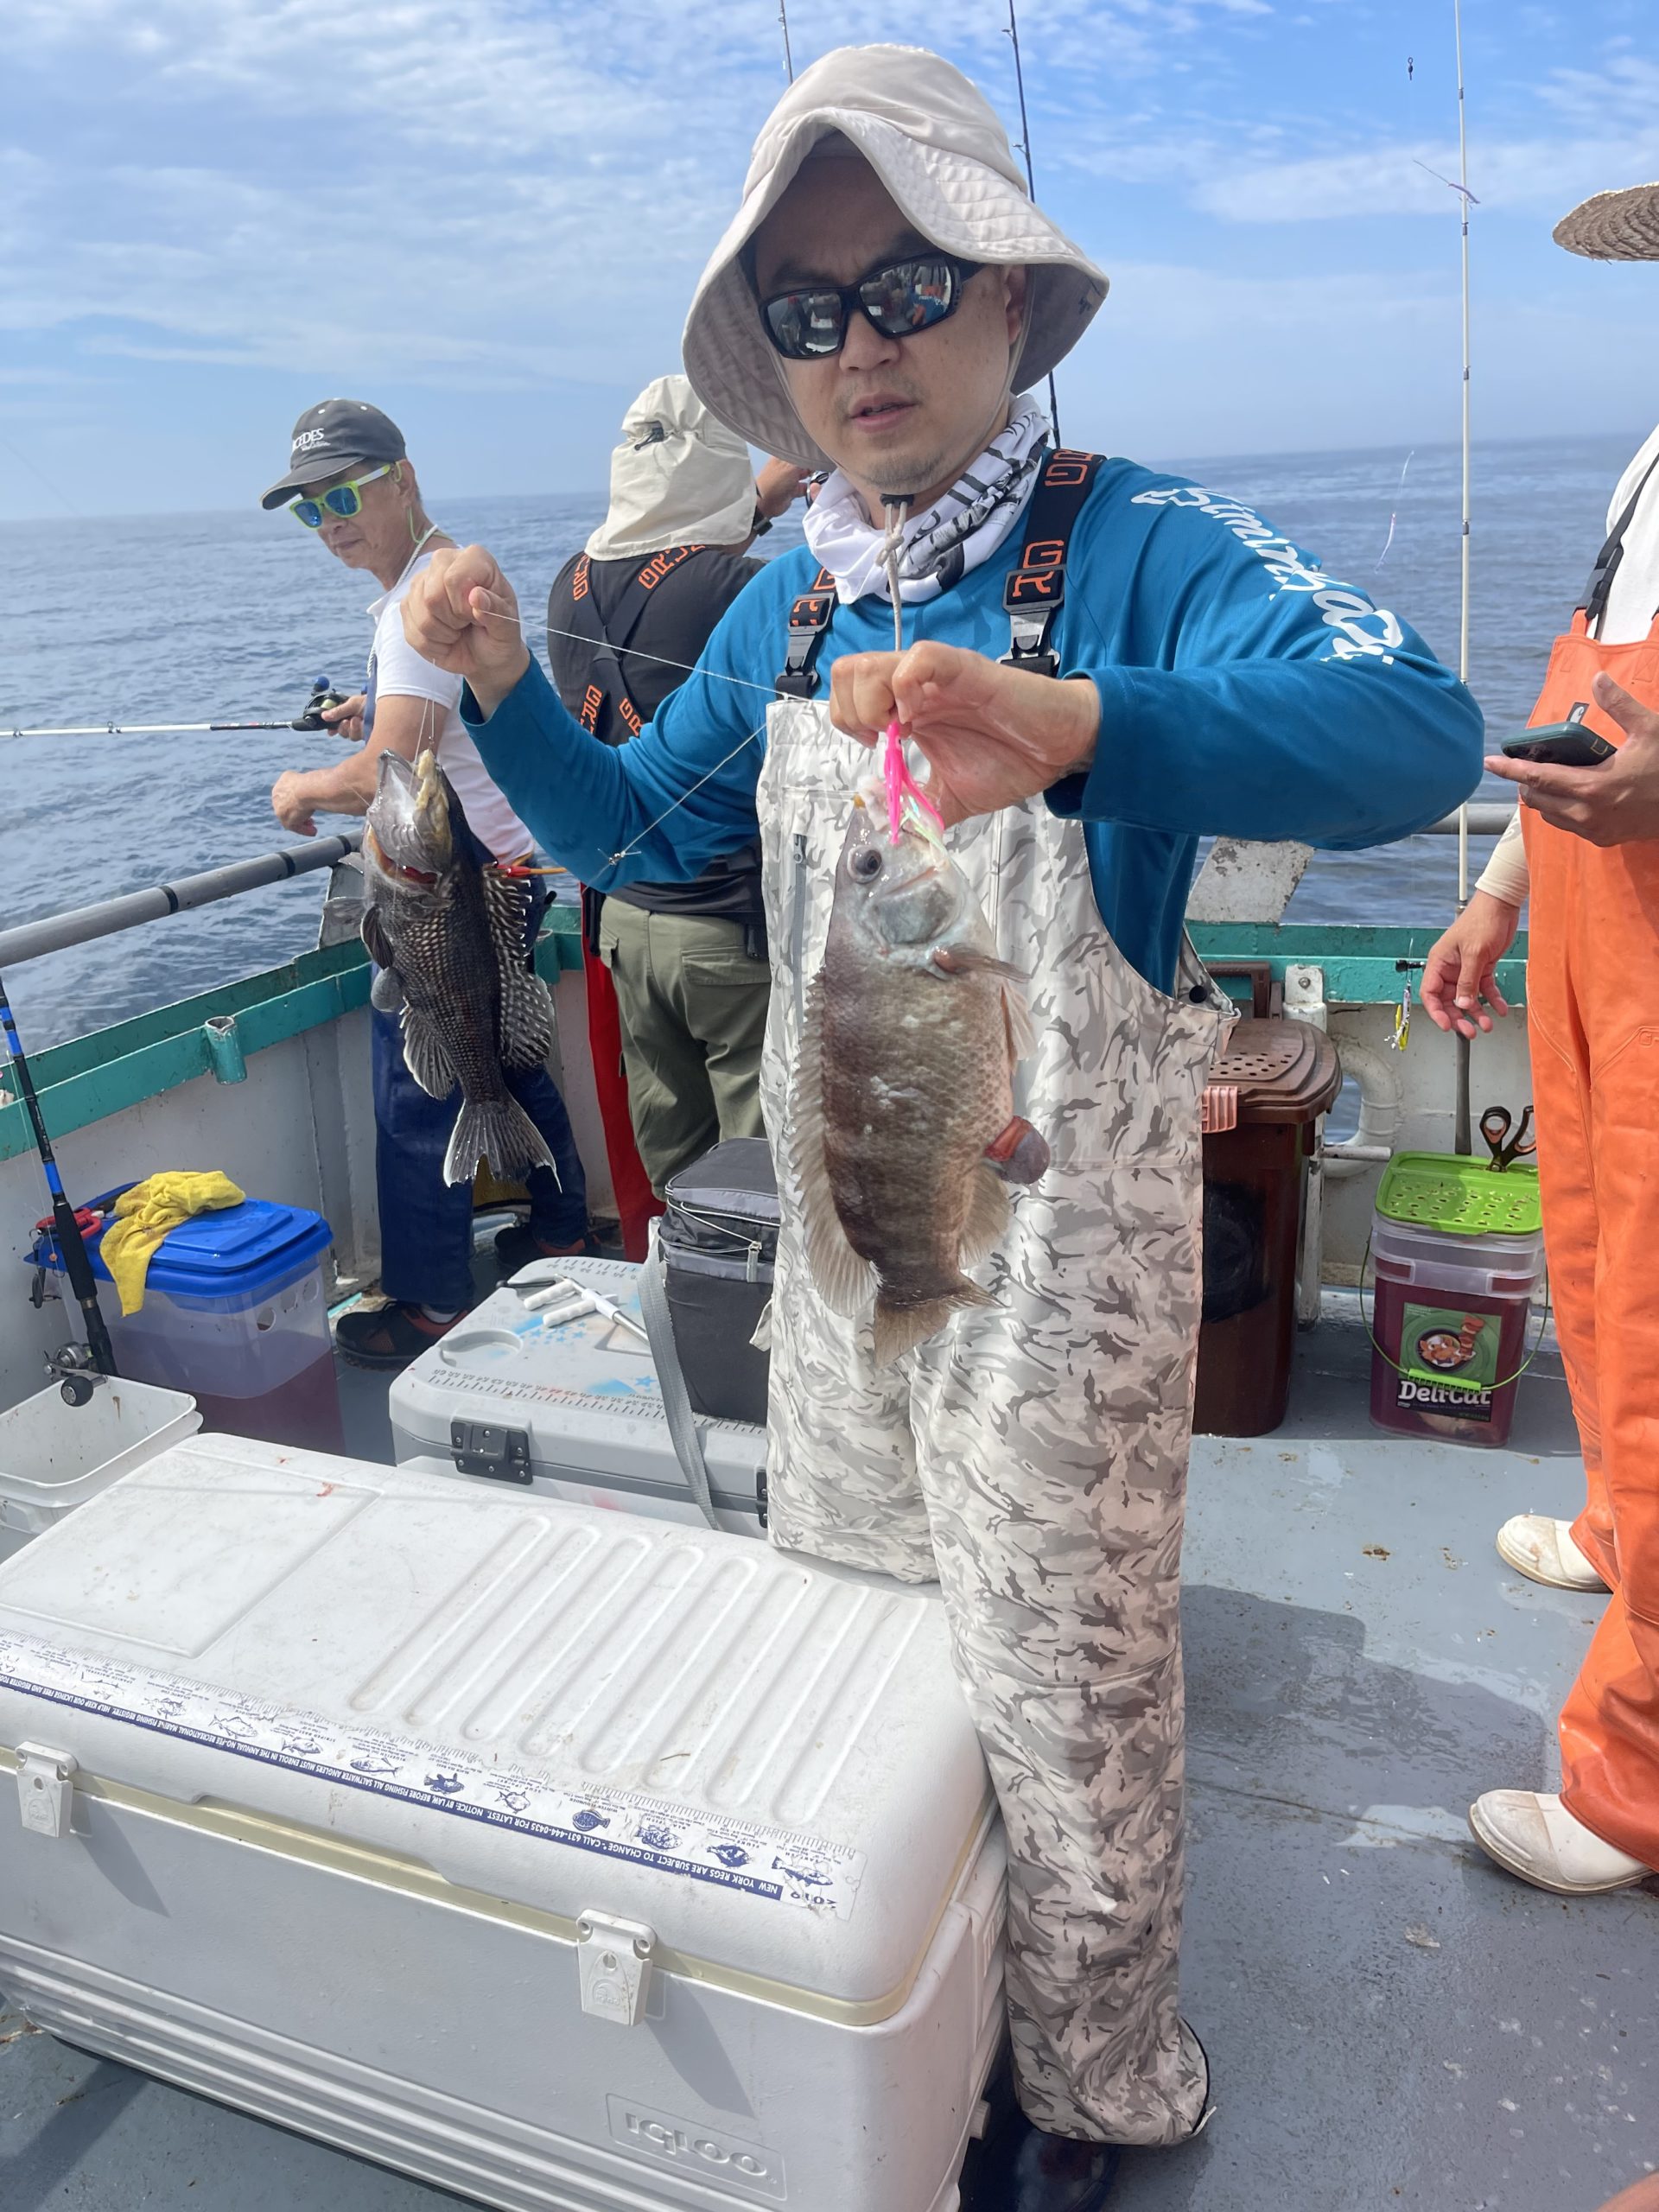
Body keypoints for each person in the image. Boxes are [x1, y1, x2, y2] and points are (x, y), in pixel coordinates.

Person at [404, 48, 1483, 2208]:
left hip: (1053, 1274)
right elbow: (634, 836)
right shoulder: (795, 595)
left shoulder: (1136, 549)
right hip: (850, 1260)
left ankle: (1093, 2088)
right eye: (807, 309)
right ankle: (902, 2006)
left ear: (1009, 304)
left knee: (1070, 1707)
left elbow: (1415, 726)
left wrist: (1086, 722)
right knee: (866, 1659)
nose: (862, 339)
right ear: (774, 368)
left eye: (906, 279)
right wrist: (511, 679)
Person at [1421, 182, 1659, 1901]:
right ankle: (1615, 1520)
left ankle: (1636, 1785)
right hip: (1587, 929)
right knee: (1589, 1258)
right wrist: (1500, 890)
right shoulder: (1649, 460)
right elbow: (1600, 708)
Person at [259, 398, 589, 1369]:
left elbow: (385, 773)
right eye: (308, 509)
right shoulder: (436, 584)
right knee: (510, 1050)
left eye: (346, 493)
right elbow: (430, 718)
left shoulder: (416, 613)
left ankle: (433, 1296)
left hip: (452, 884)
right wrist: (380, 708)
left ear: (403, 477)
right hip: (500, 869)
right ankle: (565, 1226)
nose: (330, 521)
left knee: (417, 1086)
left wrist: (304, 787)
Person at [546, 377, 806, 1211]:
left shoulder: (568, 586)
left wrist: (753, 504)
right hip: (729, 930)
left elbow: (670, 575)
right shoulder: (741, 592)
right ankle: (760, 1336)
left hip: (624, 928)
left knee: (680, 1174)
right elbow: (738, 593)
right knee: (762, 1181)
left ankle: (687, 1314)